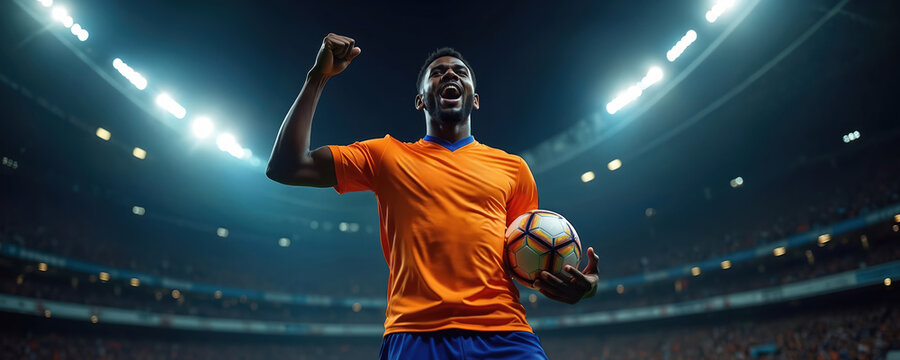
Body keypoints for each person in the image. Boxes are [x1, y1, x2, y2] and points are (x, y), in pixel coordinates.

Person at [266, 33, 600, 359]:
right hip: (414, 334)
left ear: (475, 99)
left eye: (460, 72)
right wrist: (317, 77)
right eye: (437, 72)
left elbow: (527, 264)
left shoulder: (514, 169)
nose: (450, 74)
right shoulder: (385, 156)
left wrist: (582, 287)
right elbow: (287, 166)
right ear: (420, 100)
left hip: (505, 334)